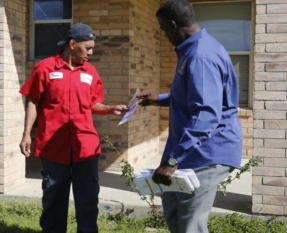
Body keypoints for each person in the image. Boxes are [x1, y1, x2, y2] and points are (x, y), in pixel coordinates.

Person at [138, 0, 243, 232]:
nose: (164, 34)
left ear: (173, 25)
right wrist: (161, 99)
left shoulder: (201, 56)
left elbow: (206, 113)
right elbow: (194, 96)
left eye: (164, 29)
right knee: (175, 212)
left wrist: (172, 160)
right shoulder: (192, 51)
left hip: (206, 152)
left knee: (189, 225)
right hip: (191, 150)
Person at [19, 23, 128, 233]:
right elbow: (33, 101)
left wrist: (110, 108)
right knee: (53, 200)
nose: (91, 52)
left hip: (85, 148)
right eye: (88, 47)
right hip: (53, 146)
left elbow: (93, 103)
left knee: (87, 201)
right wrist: (26, 135)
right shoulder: (45, 68)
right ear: (72, 44)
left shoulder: (90, 72)